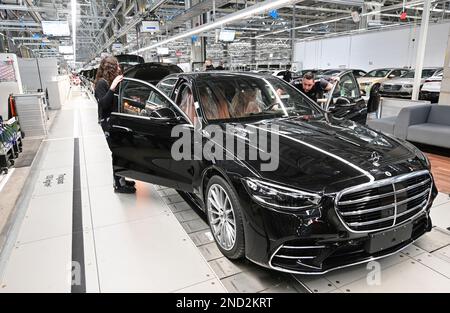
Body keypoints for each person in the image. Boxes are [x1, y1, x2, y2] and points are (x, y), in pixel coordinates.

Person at [94, 56, 136, 194]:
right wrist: (112, 87)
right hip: (107, 122)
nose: (119, 68)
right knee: (117, 152)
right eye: (117, 66)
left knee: (121, 151)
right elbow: (103, 104)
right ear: (110, 68)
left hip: (115, 120)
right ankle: (118, 184)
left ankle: (122, 178)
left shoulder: (111, 81)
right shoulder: (101, 83)